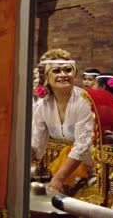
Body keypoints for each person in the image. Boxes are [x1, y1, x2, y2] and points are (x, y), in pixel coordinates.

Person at [31, 49, 94, 194]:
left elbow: (83, 145)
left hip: (96, 169)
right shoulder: (42, 105)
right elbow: (36, 143)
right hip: (70, 167)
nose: (63, 75)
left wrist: (59, 178)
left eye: (67, 70)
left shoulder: (84, 101)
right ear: (46, 76)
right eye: (56, 71)